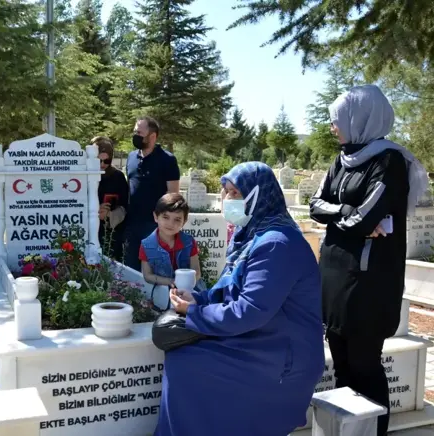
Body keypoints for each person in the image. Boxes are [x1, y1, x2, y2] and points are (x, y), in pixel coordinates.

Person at [156, 162, 325, 436]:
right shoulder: (252, 237)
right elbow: (230, 289)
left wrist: (194, 314)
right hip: (261, 340)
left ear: (259, 195)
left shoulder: (277, 244)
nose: (226, 200)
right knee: (183, 357)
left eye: (235, 193)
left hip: (281, 357)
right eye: (225, 192)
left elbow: (250, 310)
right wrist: (198, 299)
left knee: (188, 364)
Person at [309, 85, 429, 436]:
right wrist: (346, 212)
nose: (333, 127)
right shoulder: (342, 159)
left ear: (359, 118)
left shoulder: (389, 161)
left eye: (337, 120)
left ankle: (373, 432)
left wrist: (352, 220)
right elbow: (319, 206)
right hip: (333, 275)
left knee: (365, 366)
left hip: (367, 283)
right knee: (342, 366)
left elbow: (367, 219)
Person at [125, 116, 180, 271]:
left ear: (153, 136)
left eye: (139, 132)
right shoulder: (131, 158)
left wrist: (165, 226)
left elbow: (173, 194)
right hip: (132, 225)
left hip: (155, 227)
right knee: (132, 271)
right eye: (135, 131)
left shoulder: (167, 160)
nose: (135, 136)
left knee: (157, 272)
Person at [139, 193, 203, 289]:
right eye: (165, 217)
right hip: (161, 295)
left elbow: (196, 271)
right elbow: (147, 275)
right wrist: (171, 282)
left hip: (190, 291)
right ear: (156, 217)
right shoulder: (146, 245)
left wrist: (186, 285)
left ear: (184, 222)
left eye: (177, 219)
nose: (170, 223)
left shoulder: (189, 242)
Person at [93, 136, 129, 260]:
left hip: (111, 232)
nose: (102, 165)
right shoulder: (84, 175)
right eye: (98, 161)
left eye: (106, 161)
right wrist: (95, 209)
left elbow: (125, 205)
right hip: (89, 229)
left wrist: (109, 214)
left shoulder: (117, 176)